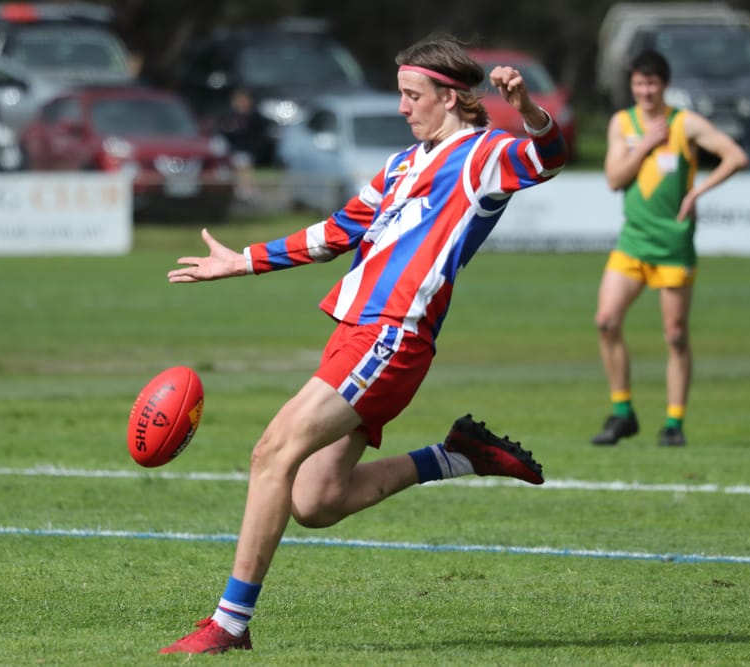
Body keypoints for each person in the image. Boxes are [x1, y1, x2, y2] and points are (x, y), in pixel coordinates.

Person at [158, 34, 567, 654]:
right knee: (315, 500)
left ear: (450, 97)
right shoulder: (401, 166)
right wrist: (243, 260)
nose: (402, 107)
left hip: (393, 335)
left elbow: (549, 157)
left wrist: (527, 109)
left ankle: (229, 626)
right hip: (353, 332)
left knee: (271, 452)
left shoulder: (484, 155)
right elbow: (337, 231)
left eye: (412, 95)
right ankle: (457, 456)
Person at [591, 49, 748, 448]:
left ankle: (674, 422)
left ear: (664, 85)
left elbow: (736, 156)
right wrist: (645, 145)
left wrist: (698, 192)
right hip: (633, 242)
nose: (645, 91)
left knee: (675, 335)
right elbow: (614, 179)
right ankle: (622, 413)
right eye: (638, 84)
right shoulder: (622, 123)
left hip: (673, 246)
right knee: (606, 321)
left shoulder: (685, 123)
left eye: (652, 83)